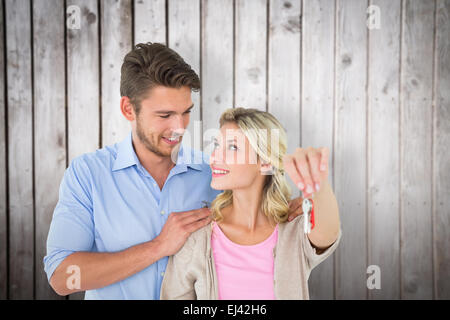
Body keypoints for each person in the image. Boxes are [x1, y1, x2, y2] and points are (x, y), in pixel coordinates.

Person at [43, 43, 309, 299]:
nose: (179, 127)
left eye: (186, 113)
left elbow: (258, 221)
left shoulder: (214, 174)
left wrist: (290, 209)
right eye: (165, 115)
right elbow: (62, 277)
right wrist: (158, 247)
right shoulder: (88, 174)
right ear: (128, 109)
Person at [160, 108, 342, 300]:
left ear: (265, 162)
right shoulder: (197, 235)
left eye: (232, 147)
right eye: (216, 145)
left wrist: (318, 186)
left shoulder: (293, 228)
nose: (213, 158)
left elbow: (326, 236)